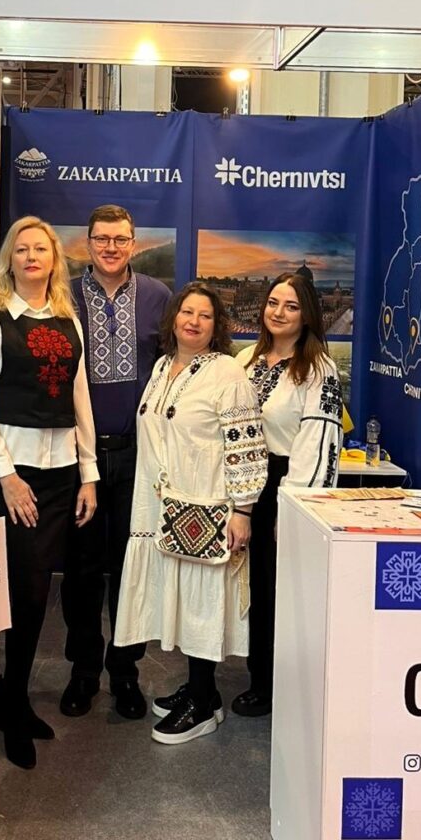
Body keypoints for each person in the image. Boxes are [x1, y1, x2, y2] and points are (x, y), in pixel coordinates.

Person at [0, 216, 99, 769]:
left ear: (54, 259)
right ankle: (11, 702)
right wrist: (6, 475)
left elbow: (80, 397)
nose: (31, 256)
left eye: (41, 248)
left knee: (38, 593)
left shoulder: (69, 319)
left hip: (61, 473)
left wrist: (88, 472)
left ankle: (10, 697)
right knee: (20, 592)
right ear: (9, 260)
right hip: (12, 476)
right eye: (21, 249)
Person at [114, 281, 268, 745]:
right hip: (162, 507)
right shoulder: (164, 366)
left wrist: (243, 510)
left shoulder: (227, 373)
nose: (194, 321)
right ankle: (202, 689)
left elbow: (247, 447)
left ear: (217, 325)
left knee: (202, 602)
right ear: (174, 318)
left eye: (205, 315)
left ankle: (202, 704)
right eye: (187, 312)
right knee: (179, 599)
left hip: (206, 505)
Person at [60, 205, 171, 721]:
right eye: (101, 238)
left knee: (133, 567)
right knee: (81, 570)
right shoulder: (61, 297)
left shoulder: (158, 297)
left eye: (120, 239)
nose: (110, 247)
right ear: (87, 243)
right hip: (77, 457)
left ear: (134, 243)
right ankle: (83, 670)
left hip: (137, 454)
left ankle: (125, 671)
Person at [232, 272, 343, 717]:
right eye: (273, 303)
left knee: (278, 589)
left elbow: (317, 443)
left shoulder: (318, 370)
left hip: (284, 484)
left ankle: (274, 684)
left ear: (307, 315)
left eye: (291, 306)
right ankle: (254, 672)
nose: (278, 312)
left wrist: (293, 507)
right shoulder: (245, 360)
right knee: (248, 585)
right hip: (241, 483)